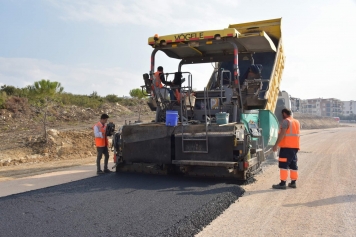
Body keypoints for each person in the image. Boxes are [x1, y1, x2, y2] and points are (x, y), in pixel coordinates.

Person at [272, 108, 300, 189]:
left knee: (283, 165)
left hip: (286, 147)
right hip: (295, 147)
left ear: (284, 113)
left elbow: (282, 134)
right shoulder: (296, 122)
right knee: (293, 165)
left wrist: (276, 145)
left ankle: (282, 183)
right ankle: (293, 182)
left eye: (282, 114)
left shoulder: (286, 121)